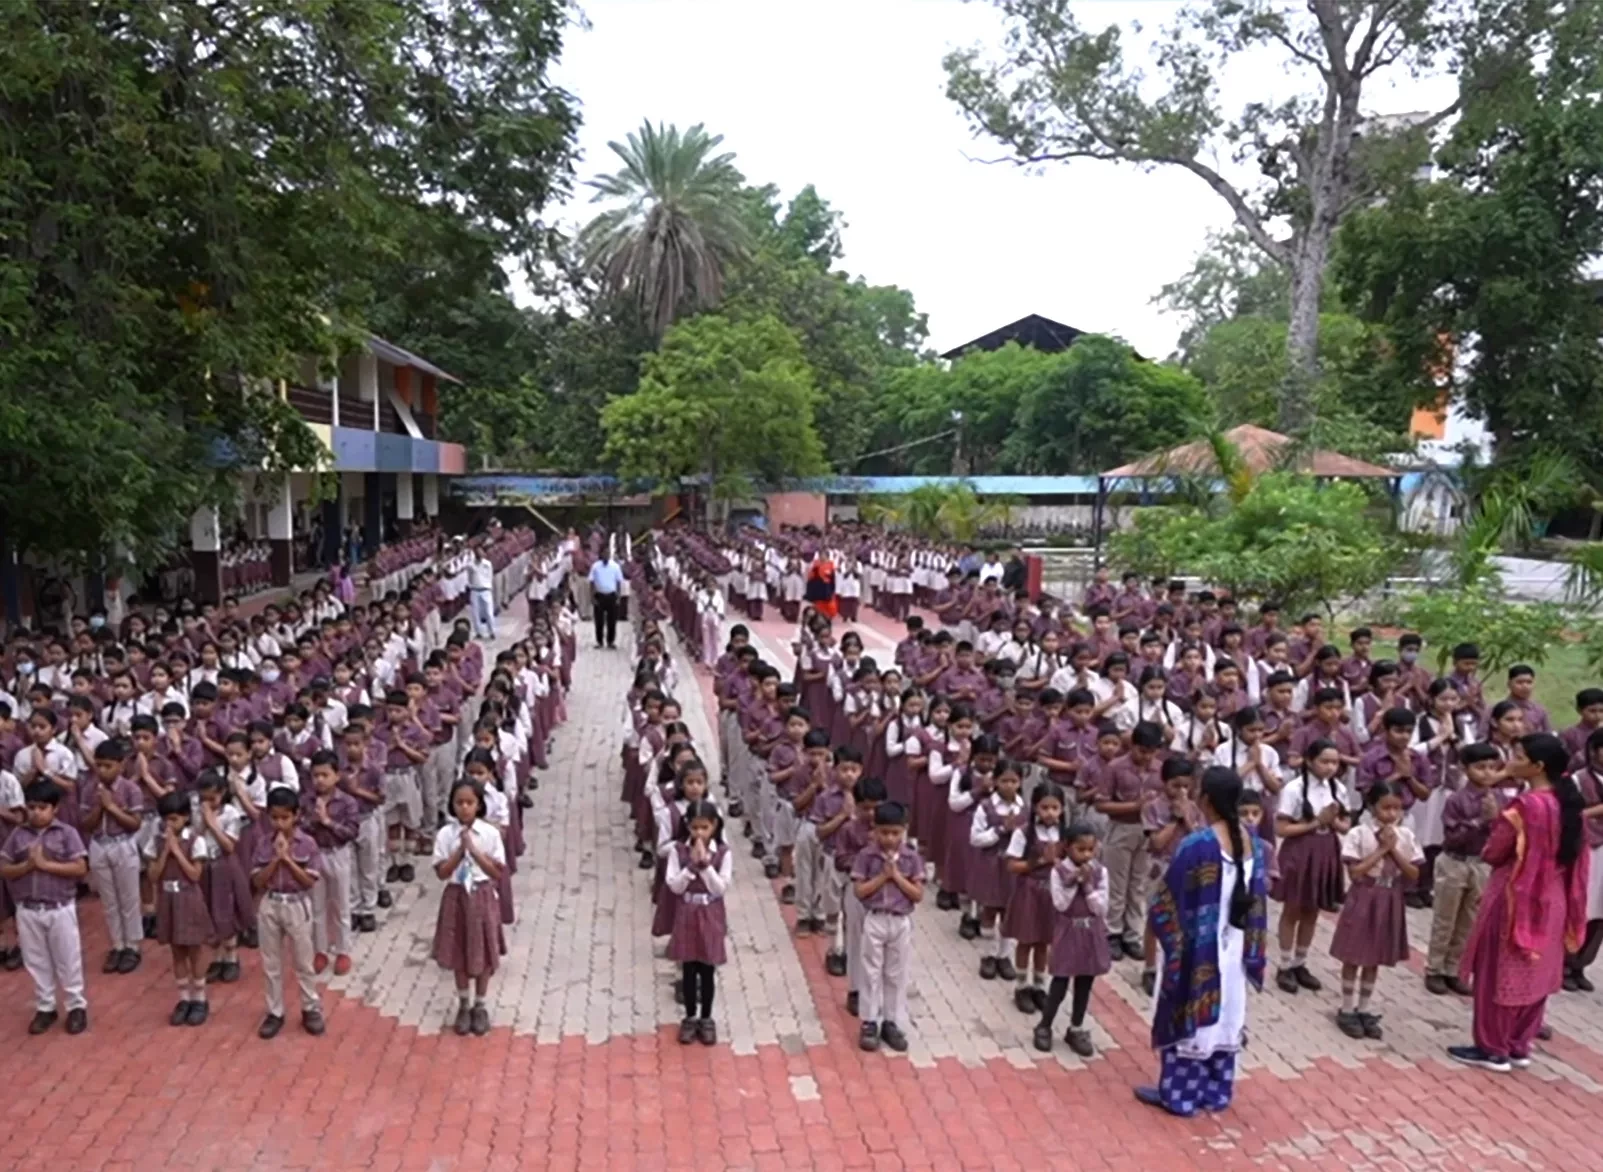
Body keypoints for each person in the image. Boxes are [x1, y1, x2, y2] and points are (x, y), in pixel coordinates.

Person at [1449, 733, 1589, 1073]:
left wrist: (1494, 816)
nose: (1508, 759)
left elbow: (1495, 852)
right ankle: (1518, 1045)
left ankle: (1492, 1047)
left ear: (1536, 766)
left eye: (1517, 754)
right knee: (1536, 972)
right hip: (1553, 898)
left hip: (1516, 895)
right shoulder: (1567, 800)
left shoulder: (1525, 807)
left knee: (1497, 970)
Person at [1138, 765, 1268, 1117]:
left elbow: (1167, 901)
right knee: (1226, 1014)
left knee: (1190, 1012)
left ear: (1206, 799)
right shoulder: (1254, 845)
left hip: (1198, 948)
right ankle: (1215, 1091)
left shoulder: (1197, 846)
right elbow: (1258, 902)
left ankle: (1179, 1095)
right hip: (1236, 946)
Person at [1330, 781, 1422, 1040]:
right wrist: (1382, 849)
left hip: (1390, 896)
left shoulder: (1406, 836)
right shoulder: (1359, 833)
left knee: (1375, 955)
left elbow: (1414, 873)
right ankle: (1347, 1007)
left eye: (1397, 809)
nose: (1392, 814)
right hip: (1364, 894)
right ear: (1372, 807)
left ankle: (1365, 1007)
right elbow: (1356, 872)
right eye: (1386, 808)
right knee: (1354, 953)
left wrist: (1394, 850)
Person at [0, 780, 90, 1035]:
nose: (36, 812)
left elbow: (80, 868)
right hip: (28, 908)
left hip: (59, 907)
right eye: (32, 807)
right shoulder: (18, 835)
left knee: (67, 957)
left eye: (42, 807)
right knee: (36, 959)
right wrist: (27, 867)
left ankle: (75, 1006)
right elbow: (4, 868)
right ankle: (45, 1006)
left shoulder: (66, 833)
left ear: (55, 808)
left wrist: (44, 865)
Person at [1425, 743, 1504, 995]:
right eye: (1480, 768)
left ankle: (1455, 969)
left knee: (1469, 920)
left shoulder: (1499, 799)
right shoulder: (1456, 800)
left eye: (1492, 768)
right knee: (1445, 918)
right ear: (1465, 769)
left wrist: (1496, 821)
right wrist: (1482, 821)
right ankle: (1434, 968)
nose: (1487, 773)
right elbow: (1453, 835)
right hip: (1454, 862)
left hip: (1481, 864)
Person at [432, 778, 506, 1037]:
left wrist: (473, 851)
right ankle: (463, 1003)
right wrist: (458, 851)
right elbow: (441, 872)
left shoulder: (490, 834)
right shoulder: (445, 835)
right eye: (459, 803)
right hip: (456, 895)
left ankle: (480, 1004)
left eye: (470, 802)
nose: (464, 808)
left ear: (478, 805)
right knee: (459, 951)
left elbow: (496, 871)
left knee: (482, 952)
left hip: (481, 893)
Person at [251, 788, 326, 1039]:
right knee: (271, 962)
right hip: (271, 903)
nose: (280, 823)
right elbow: (258, 881)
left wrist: (288, 860)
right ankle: (275, 1012)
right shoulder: (264, 843)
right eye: (274, 818)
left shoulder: (308, 844)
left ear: (296, 816)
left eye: (285, 817)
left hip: (297, 904)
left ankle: (310, 1008)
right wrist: (275, 859)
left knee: (304, 961)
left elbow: (309, 881)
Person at [851, 799, 922, 1053]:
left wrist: (897, 876)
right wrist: (883, 876)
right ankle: (870, 1021)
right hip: (875, 918)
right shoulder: (867, 856)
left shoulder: (911, 858)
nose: (889, 838)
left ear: (904, 830)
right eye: (884, 832)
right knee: (870, 971)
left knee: (896, 973)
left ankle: (891, 1021)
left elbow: (917, 893)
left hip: (900, 920)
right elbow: (860, 890)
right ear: (875, 830)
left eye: (895, 832)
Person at [1036, 821, 1111, 1055]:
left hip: (1091, 932)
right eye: (1081, 849)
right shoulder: (1057, 872)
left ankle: (1076, 1027)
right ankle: (1045, 1025)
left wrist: (1087, 886)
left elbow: (1101, 908)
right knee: (1060, 980)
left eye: (1091, 849)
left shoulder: (1100, 872)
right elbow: (1060, 904)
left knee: (1085, 982)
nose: (1087, 855)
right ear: (1067, 847)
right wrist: (1073, 882)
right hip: (1068, 931)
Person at [145, 790, 215, 1027]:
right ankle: (183, 998)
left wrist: (177, 851)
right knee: (177, 950)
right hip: (167, 898)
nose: (169, 824)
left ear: (185, 817)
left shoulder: (196, 840)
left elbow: (195, 874)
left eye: (174, 819)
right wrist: (165, 851)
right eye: (165, 819)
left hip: (188, 897)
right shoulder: (155, 841)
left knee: (194, 948)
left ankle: (199, 998)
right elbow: (153, 875)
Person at [666, 798, 731, 1046]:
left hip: (710, 911)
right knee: (689, 967)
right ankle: (690, 1016)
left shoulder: (723, 853)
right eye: (695, 828)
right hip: (687, 910)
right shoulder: (678, 851)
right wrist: (691, 867)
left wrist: (705, 866)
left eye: (704, 828)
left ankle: (707, 1017)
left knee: (707, 968)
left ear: (714, 826)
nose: (699, 833)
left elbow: (721, 887)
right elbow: (674, 885)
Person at [589, 550, 624, 649]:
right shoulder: (595, 566)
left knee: (612, 620)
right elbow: (591, 582)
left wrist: (618, 596)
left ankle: (610, 641)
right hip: (599, 595)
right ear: (601, 555)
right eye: (604, 554)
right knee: (599, 620)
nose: (606, 556)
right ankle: (599, 641)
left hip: (612, 595)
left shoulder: (615, 566)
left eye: (607, 554)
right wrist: (592, 597)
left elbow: (618, 582)